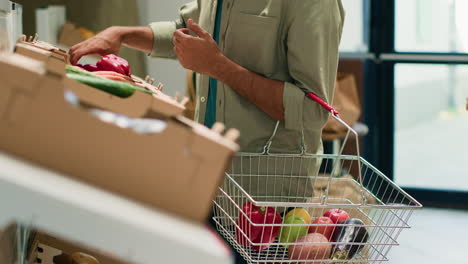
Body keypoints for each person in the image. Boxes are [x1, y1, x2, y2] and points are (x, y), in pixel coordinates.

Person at [69, 0, 344, 263]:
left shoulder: (314, 3)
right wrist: (122, 34)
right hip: (207, 187)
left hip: (266, 206)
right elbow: (185, 28)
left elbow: (313, 110)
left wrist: (218, 66)